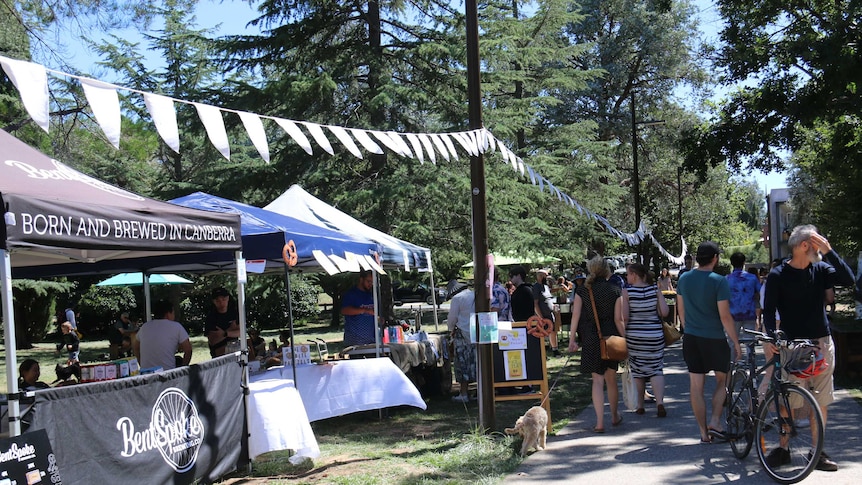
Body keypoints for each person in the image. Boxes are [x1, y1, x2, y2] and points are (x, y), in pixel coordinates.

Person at [762, 225, 854, 471]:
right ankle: (783, 449)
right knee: (786, 402)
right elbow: (769, 311)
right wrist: (771, 337)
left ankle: (817, 452)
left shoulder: (821, 269)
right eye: (816, 244)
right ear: (805, 246)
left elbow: (849, 280)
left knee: (820, 400)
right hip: (792, 347)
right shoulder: (778, 275)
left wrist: (830, 251)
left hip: (822, 344)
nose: (819, 250)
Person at [676, 241, 741, 444]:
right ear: (715, 258)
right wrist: (736, 342)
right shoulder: (719, 281)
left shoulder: (684, 279)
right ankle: (715, 420)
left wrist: (689, 330)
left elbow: (681, 311)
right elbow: (724, 316)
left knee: (696, 386)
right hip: (714, 338)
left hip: (692, 338)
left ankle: (703, 433)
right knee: (723, 380)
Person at [568, 256, 624, 432]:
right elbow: (619, 319)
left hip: (591, 337)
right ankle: (615, 416)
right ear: (606, 269)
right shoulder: (615, 290)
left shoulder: (582, 291)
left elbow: (575, 316)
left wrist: (572, 340)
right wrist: (626, 340)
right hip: (611, 338)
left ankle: (599, 422)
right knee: (611, 380)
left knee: (597, 381)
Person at [619, 263, 669, 417]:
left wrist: (623, 336)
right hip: (654, 334)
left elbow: (625, 317)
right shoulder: (655, 290)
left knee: (638, 371)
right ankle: (659, 402)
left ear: (634, 274)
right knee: (656, 369)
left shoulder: (627, 292)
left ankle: (640, 405)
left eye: (628, 274)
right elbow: (665, 312)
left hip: (635, 336)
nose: (627, 277)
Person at [134, 299, 192, 371]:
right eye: (173, 313)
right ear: (168, 314)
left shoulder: (144, 327)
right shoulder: (176, 327)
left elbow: (136, 347)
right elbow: (188, 349)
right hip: (167, 374)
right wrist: (183, 368)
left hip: (146, 374)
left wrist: (141, 363)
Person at [726, 252, 762, 361]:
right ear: (744, 263)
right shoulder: (752, 278)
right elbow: (759, 293)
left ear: (731, 263)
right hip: (749, 313)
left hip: (732, 314)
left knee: (732, 342)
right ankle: (751, 367)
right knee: (750, 342)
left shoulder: (726, 279)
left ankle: (732, 366)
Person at [447, 280, 475, 403]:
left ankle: (464, 393)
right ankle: (479, 391)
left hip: (462, 333)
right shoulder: (474, 295)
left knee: (462, 364)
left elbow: (452, 318)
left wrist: (450, 329)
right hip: (476, 332)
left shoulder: (457, 299)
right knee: (476, 362)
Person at [341, 269, 376, 346]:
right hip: (355, 341)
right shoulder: (351, 294)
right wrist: (364, 310)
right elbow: (344, 310)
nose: (370, 284)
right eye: (368, 281)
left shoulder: (371, 295)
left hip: (371, 340)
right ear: (361, 279)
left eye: (372, 282)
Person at [206, 287, 241, 357]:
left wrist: (225, 333)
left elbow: (241, 332)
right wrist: (230, 331)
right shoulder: (211, 317)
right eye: (217, 300)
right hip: (219, 355)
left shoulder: (234, 313)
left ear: (228, 298)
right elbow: (213, 341)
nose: (221, 302)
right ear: (213, 301)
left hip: (235, 352)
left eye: (223, 299)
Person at [533, 268, 560, 357]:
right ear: (540, 276)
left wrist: (553, 307)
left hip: (550, 313)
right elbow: (535, 303)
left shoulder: (546, 286)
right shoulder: (536, 287)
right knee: (542, 333)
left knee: (553, 331)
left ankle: (555, 349)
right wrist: (540, 316)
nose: (547, 278)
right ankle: (542, 352)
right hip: (542, 315)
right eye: (546, 276)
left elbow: (548, 299)